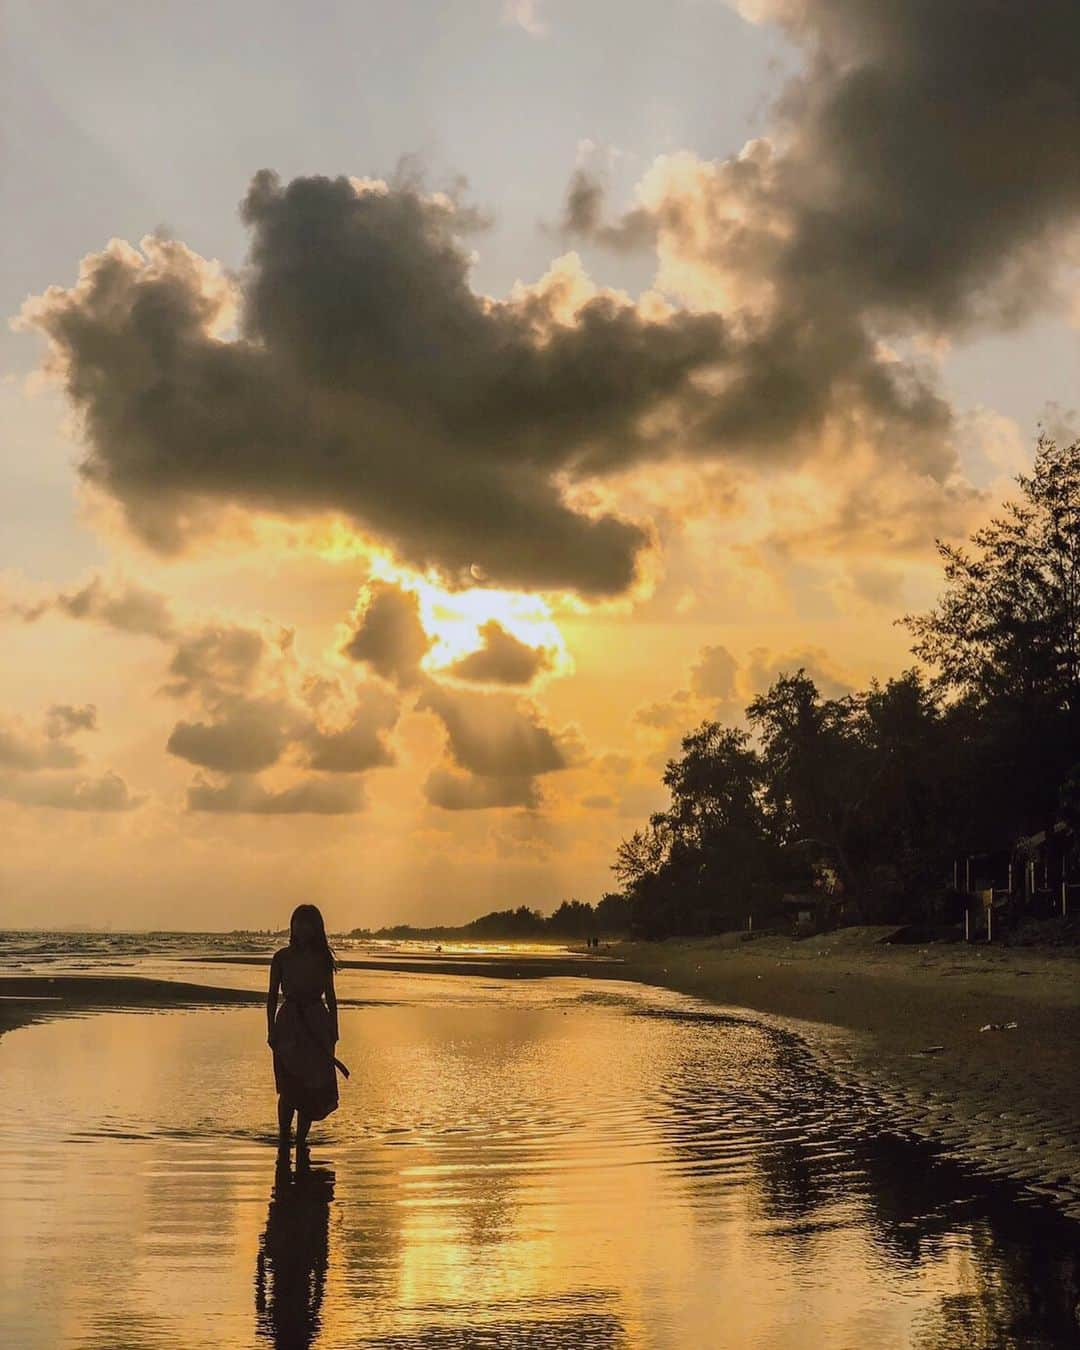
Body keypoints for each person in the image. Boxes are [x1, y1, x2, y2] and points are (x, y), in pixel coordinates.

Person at [267, 904, 340, 1156]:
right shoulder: (281, 958)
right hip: (288, 1023)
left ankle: (301, 1140)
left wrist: (334, 1029)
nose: (301, 928)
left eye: (307, 923)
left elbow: (331, 997)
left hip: (316, 1022)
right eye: (298, 922)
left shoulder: (322, 959)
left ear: (316, 927)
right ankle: (284, 1135)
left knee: (311, 1085)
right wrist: (270, 1030)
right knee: (288, 1085)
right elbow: (271, 997)